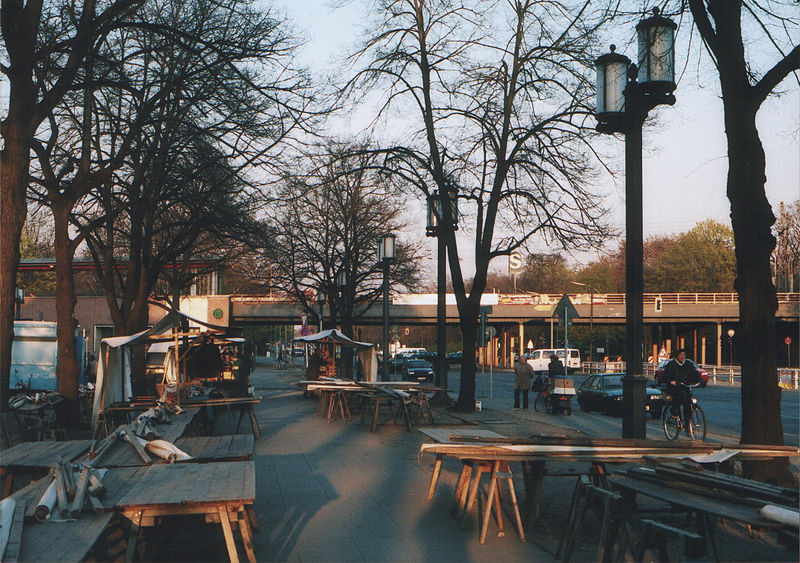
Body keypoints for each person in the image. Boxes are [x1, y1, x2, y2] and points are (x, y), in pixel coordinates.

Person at [663, 349, 701, 427]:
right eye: (680, 355)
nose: (682, 356)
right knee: (679, 397)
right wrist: (671, 381)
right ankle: (674, 415)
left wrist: (700, 381)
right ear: (677, 356)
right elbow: (665, 376)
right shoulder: (671, 365)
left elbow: (695, 373)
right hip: (674, 388)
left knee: (688, 404)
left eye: (683, 355)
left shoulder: (688, 364)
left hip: (685, 386)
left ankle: (687, 425)